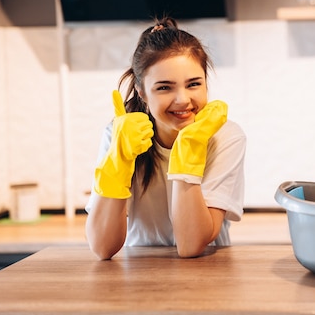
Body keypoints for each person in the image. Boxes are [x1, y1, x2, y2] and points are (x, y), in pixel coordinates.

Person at [85, 17, 246, 260]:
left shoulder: (225, 137)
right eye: (164, 87)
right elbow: (102, 248)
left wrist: (190, 147)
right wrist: (119, 160)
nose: (183, 100)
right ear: (142, 93)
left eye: (193, 84)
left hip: (208, 276)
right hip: (138, 273)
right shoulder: (119, 135)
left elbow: (190, 246)